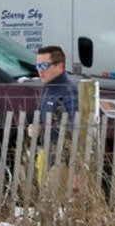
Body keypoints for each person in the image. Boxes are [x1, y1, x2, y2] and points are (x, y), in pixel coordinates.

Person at [28, 45, 78, 187]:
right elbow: (42, 117)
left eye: (44, 65)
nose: (40, 70)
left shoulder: (68, 92)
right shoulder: (48, 88)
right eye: (37, 65)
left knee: (53, 202)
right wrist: (36, 127)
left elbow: (72, 131)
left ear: (60, 66)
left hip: (62, 161)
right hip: (48, 156)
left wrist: (76, 171)